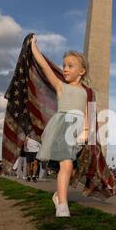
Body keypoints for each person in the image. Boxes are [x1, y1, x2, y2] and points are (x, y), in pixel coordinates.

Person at [32, 35, 89, 217]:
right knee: (66, 165)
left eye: (70, 66)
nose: (65, 69)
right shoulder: (60, 86)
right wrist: (33, 47)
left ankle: (58, 195)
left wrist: (86, 132)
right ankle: (63, 206)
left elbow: (89, 113)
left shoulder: (87, 92)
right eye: (64, 65)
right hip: (63, 128)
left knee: (72, 169)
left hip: (79, 132)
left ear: (82, 71)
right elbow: (45, 66)